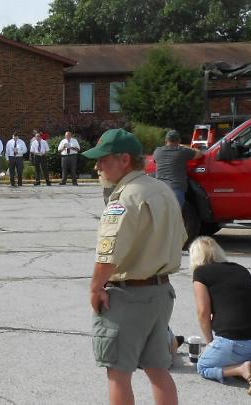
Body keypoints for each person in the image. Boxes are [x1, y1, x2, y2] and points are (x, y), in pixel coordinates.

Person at [84, 128, 185, 405]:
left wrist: (96, 288)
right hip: (161, 293)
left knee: (118, 373)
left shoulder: (125, 198)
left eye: (103, 160)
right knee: (157, 369)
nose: (97, 167)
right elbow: (181, 238)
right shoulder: (163, 189)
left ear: (124, 159)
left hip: (129, 296)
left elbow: (108, 254)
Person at [189, 236, 251, 395]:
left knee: (203, 366)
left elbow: (203, 312)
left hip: (237, 342)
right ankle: (243, 364)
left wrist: (210, 343)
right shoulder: (240, 268)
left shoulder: (200, 273)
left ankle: (243, 369)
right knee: (229, 350)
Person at [153, 129, 203, 206]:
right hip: (176, 190)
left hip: (160, 190)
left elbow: (155, 161)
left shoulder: (157, 151)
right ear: (179, 140)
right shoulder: (183, 151)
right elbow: (200, 154)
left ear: (166, 140)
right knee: (176, 213)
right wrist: (184, 146)